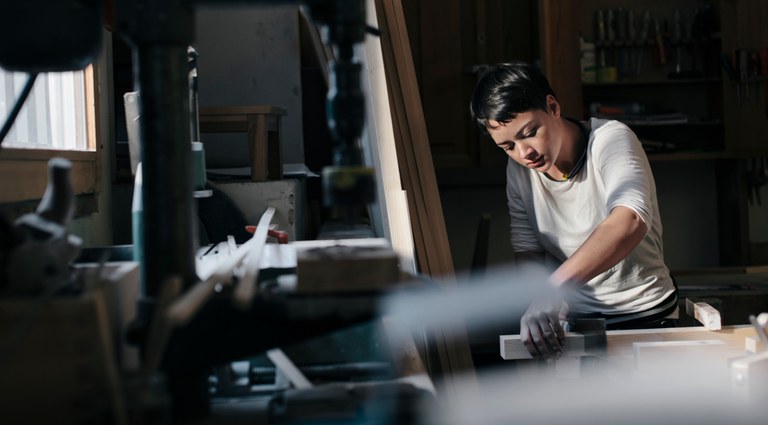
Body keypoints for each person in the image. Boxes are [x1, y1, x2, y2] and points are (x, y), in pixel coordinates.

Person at [469, 62, 678, 359]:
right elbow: (528, 251)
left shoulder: (611, 140)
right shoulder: (518, 172)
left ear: (553, 107)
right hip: (575, 324)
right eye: (508, 146)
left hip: (645, 315)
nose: (523, 153)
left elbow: (629, 220)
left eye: (529, 132)